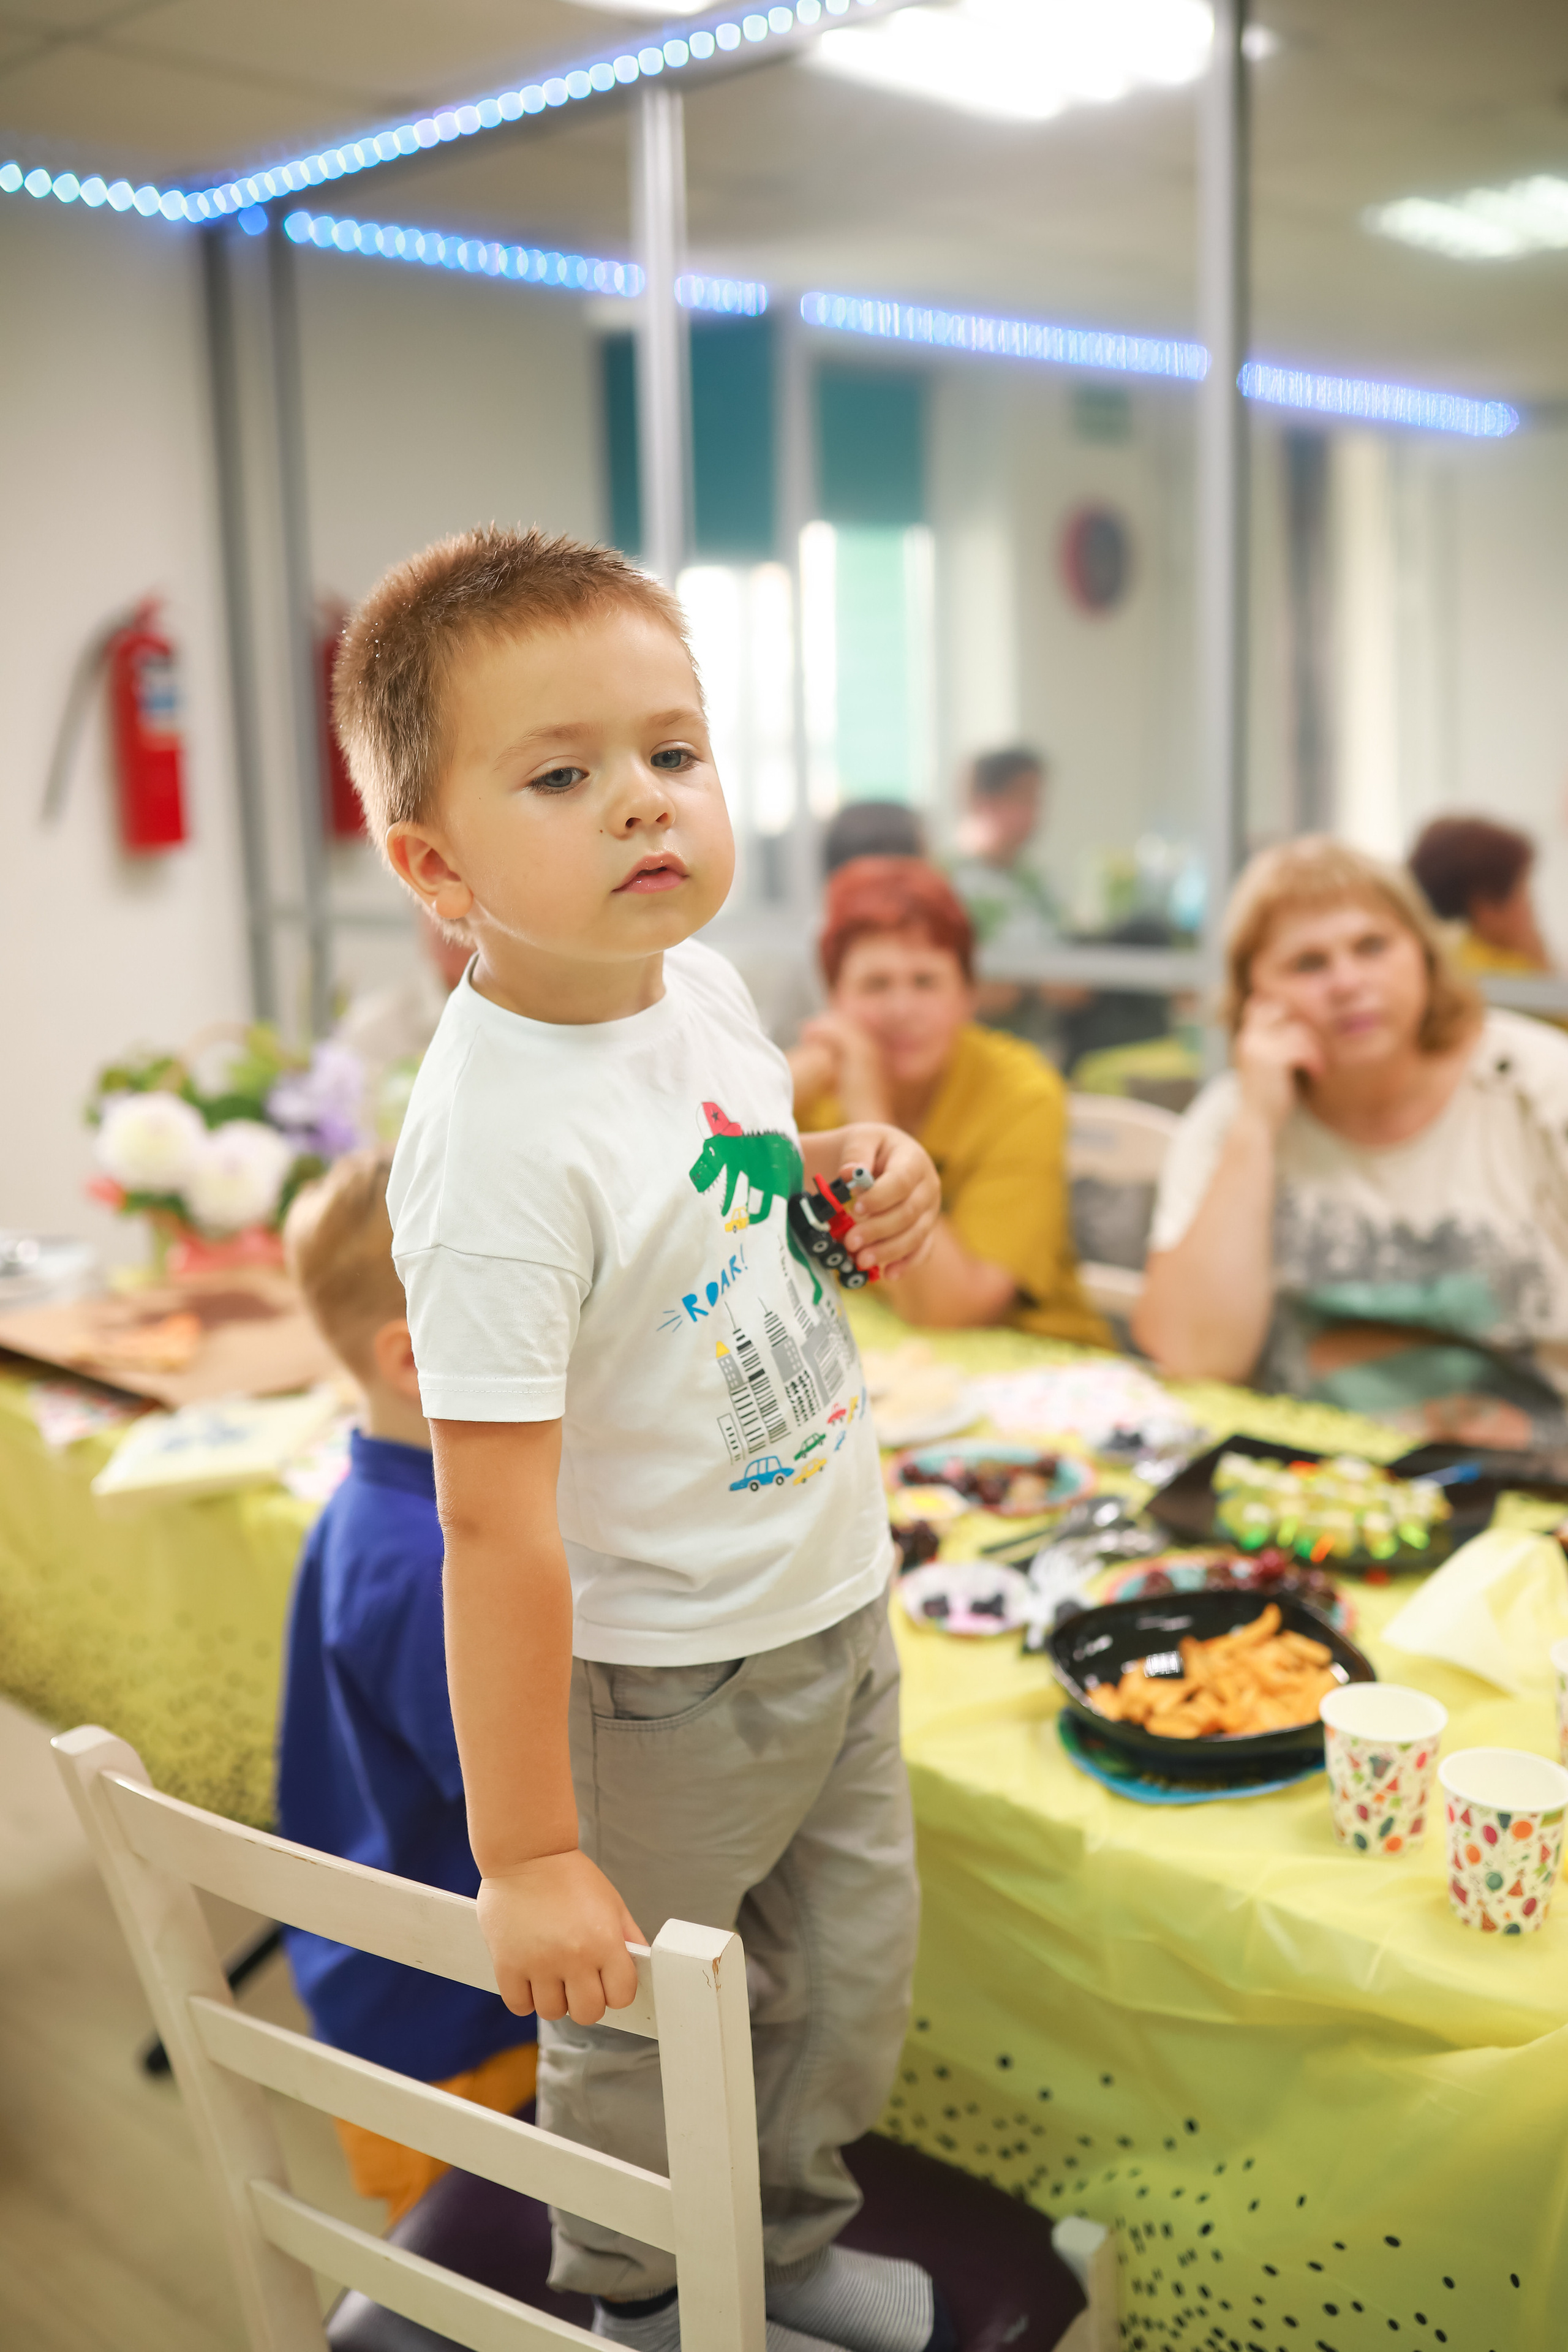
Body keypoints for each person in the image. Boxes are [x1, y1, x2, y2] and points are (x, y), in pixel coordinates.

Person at [333, 524, 952, 2352]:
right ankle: (647, 2296)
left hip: (832, 1591)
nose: (641, 804)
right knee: (641, 2032)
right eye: (562, 772)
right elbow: (494, 1525)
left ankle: (785, 2232)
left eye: (670, 752)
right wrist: (527, 1849)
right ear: (435, 866)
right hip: (662, 1670)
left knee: (837, 1984)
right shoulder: (490, 1153)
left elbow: (736, 1191)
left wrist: (845, 1175)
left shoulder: (699, 984)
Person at [277, 1147, 537, 2222]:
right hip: (447, 2029)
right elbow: (524, 1798)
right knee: (480, 2283)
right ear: (416, 1360)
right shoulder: (431, 1567)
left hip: (388, 1982)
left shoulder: (385, 1506)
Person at [1134, 835, 1568, 1444]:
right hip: (1307, 1485)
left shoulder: (1543, 1091)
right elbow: (1194, 1358)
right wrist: (1257, 1123)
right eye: (1307, 964)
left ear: (1424, 954)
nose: (1346, 982)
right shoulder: (1229, 1119)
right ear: (1254, 994)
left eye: (1372, 946)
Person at [790, 858, 1109, 1346]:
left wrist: (870, 1117)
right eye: (876, 985)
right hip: (873, 1365)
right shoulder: (814, 1087)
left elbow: (953, 1312)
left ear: (967, 995)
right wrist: (798, 1071)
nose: (901, 1010)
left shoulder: (1022, 1092)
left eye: (926, 982)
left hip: (1031, 1368)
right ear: (835, 998)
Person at [1408, 815, 1555, 981]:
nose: (1532, 907)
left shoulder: (1424, 954)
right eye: (1523, 894)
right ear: (1486, 909)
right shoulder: (1505, 972)